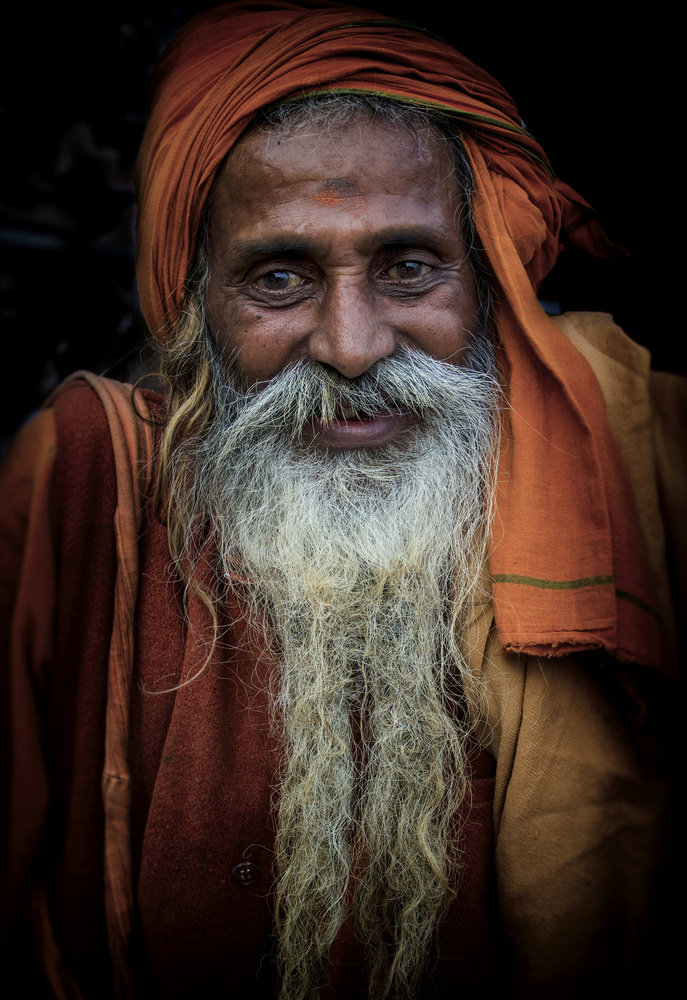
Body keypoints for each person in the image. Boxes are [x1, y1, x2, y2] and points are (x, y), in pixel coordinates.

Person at [0, 3, 681, 998]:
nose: (352, 347)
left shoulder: (626, 475)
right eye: (280, 278)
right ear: (195, 313)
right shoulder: (82, 484)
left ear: (486, 288)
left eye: (408, 268)